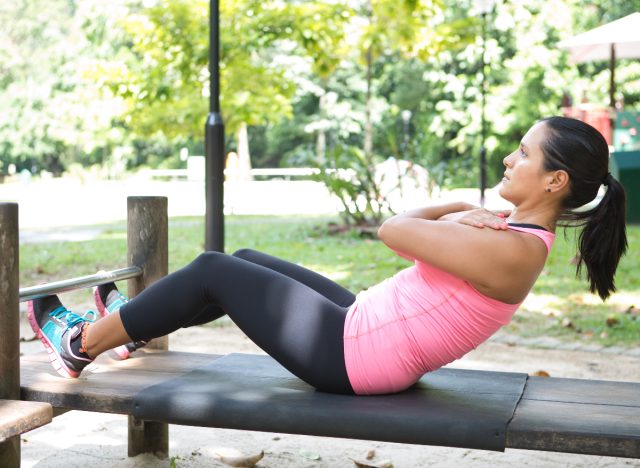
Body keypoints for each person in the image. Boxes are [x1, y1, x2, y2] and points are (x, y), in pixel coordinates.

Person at [28, 116, 627, 395]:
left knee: (213, 270)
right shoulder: (512, 235)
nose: (507, 160)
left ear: (555, 182)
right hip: (368, 329)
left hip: (357, 358)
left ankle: (78, 344)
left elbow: (392, 230)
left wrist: (446, 207)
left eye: (523, 155)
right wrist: (464, 215)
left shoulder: (514, 250)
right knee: (244, 257)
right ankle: (126, 330)